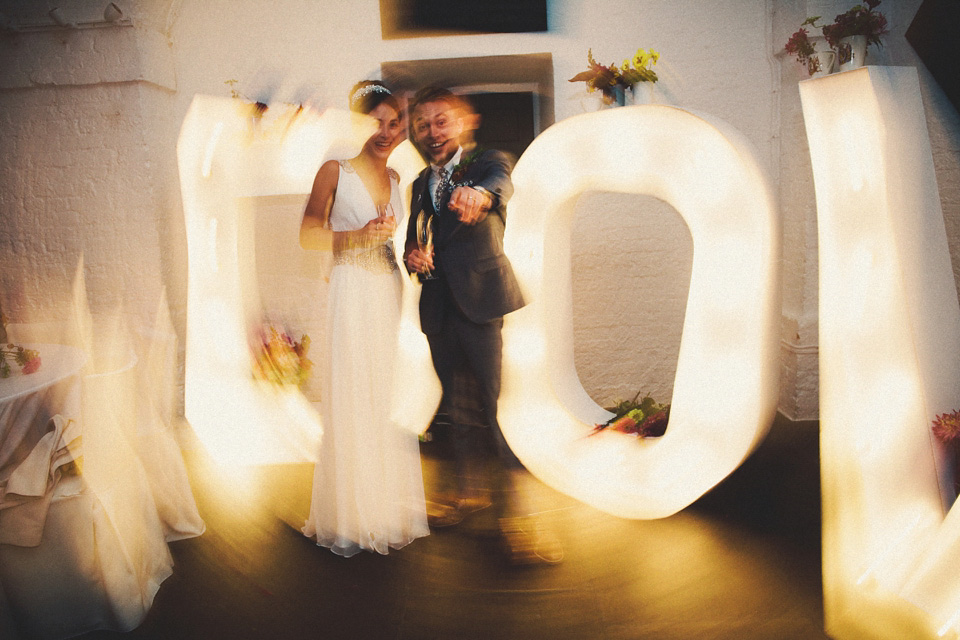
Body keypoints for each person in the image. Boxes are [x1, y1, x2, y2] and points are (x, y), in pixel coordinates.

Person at [403, 87, 561, 564]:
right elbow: (416, 239)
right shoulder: (417, 184)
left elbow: (498, 184)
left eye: (441, 120)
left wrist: (480, 195)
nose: (432, 132)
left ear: (464, 121)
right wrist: (413, 256)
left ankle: (521, 519)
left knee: (493, 411)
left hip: (480, 303)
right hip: (438, 308)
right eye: (423, 124)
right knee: (457, 407)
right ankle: (466, 495)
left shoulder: (489, 161)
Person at [300, 80, 428, 557]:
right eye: (377, 121)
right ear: (360, 122)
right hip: (351, 291)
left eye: (395, 123)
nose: (387, 131)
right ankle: (351, 513)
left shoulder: (398, 181)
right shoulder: (334, 171)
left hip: (386, 291)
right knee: (352, 395)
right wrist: (354, 236)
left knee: (383, 397)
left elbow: (395, 242)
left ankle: (384, 505)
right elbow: (308, 233)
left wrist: (414, 254)